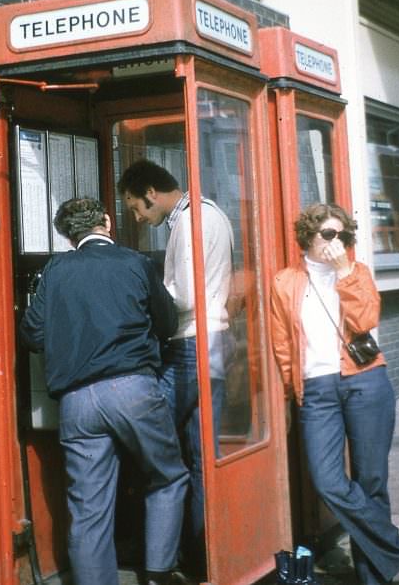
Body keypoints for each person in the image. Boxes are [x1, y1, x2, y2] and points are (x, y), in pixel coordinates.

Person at [19, 197, 189, 585]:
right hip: (133, 390)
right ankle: (158, 574)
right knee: (167, 476)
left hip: (77, 401)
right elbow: (165, 322)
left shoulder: (56, 269)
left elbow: (31, 333)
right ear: (107, 223)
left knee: (89, 508)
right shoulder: (135, 263)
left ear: (67, 236)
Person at [270, 203, 399, 585]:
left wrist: (344, 272)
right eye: (328, 234)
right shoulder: (285, 281)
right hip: (316, 391)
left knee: (371, 481)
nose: (336, 242)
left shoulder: (356, 272)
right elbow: (281, 344)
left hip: (364, 382)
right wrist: (290, 394)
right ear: (308, 236)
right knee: (327, 480)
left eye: (342, 235)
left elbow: (364, 322)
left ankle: (373, 577)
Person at [117, 159, 234, 577]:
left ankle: (154, 553)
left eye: (135, 207)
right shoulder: (212, 212)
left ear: (151, 193)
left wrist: (140, 295)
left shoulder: (188, 221)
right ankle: (202, 553)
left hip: (188, 346)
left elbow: (182, 295)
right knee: (202, 456)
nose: (136, 216)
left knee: (148, 444)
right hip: (215, 341)